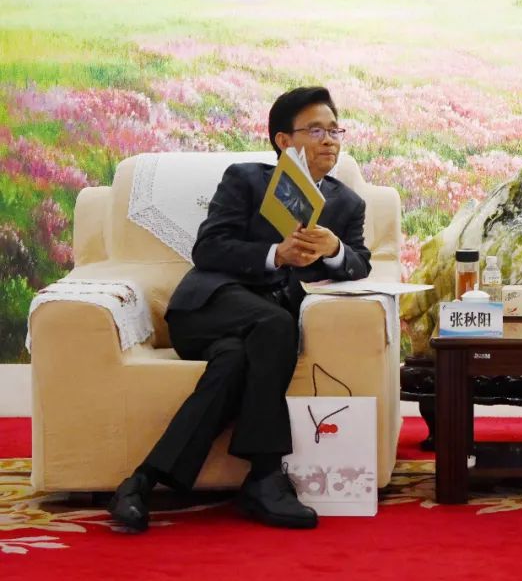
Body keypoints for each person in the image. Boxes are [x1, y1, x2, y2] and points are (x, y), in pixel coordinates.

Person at [108, 86, 371, 532]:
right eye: (316, 130)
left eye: (334, 130)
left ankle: (140, 483)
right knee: (276, 323)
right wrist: (275, 254)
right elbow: (209, 248)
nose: (330, 140)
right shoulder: (246, 179)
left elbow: (360, 263)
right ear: (284, 140)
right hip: (209, 309)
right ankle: (265, 475)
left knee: (233, 364)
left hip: (257, 334)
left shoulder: (347, 204)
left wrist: (334, 249)